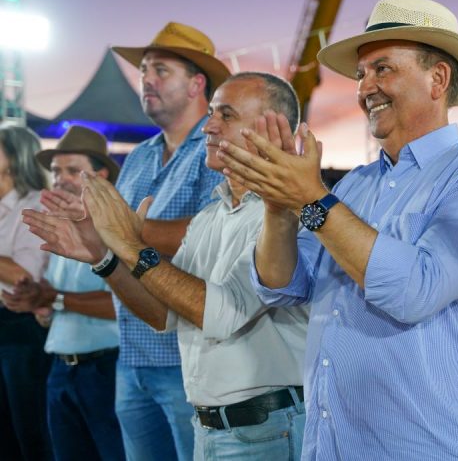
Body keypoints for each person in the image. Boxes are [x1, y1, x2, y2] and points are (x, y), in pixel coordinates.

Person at [218, 0, 458, 460]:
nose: (366, 88)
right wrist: (279, 211)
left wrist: (312, 200)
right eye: (361, 74)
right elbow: (281, 287)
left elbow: (415, 290)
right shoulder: (355, 187)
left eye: (383, 69)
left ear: (437, 78)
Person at [25, 73, 309, 460]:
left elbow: (223, 313)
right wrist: (105, 258)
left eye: (226, 115)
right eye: (211, 114)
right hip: (213, 427)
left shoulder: (291, 216)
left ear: (273, 128)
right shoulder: (211, 216)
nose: (209, 126)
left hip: (267, 429)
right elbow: (163, 314)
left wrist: (129, 243)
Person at [102, 22, 230, 460]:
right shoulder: (138, 156)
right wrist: (105, 236)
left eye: (160, 70)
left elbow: (213, 230)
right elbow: (116, 239)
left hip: (187, 360)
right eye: (143, 72)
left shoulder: (217, 149)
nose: (146, 80)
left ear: (198, 84)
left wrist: (118, 231)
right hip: (133, 353)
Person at [4, 126, 125, 460]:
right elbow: (50, 307)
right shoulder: (59, 229)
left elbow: (122, 305)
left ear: (100, 175)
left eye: (73, 170)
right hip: (61, 366)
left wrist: (53, 299)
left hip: (105, 368)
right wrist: (36, 304)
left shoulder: (116, 226)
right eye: (56, 171)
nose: (60, 178)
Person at [0, 125, 52, 460]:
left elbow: (24, 276)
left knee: (27, 429)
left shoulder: (35, 205)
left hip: (20, 327)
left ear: (15, 158)